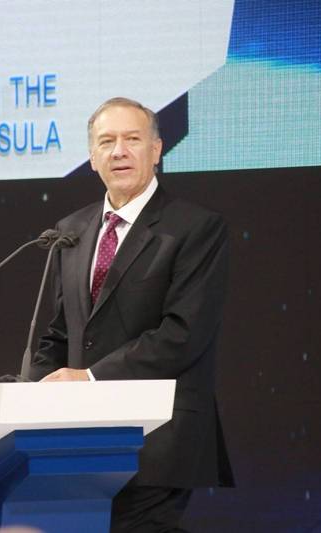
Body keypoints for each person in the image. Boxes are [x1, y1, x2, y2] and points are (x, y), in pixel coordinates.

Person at [29, 97, 234, 532]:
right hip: (78, 442)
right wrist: (29, 397)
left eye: (132, 139)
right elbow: (61, 333)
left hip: (156, 441)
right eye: (106, 141)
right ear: (92, 157)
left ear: (156, 150)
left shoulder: (194, 227)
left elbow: (183, 333)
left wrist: (89, 378)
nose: (119, 151)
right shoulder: (69, 231)